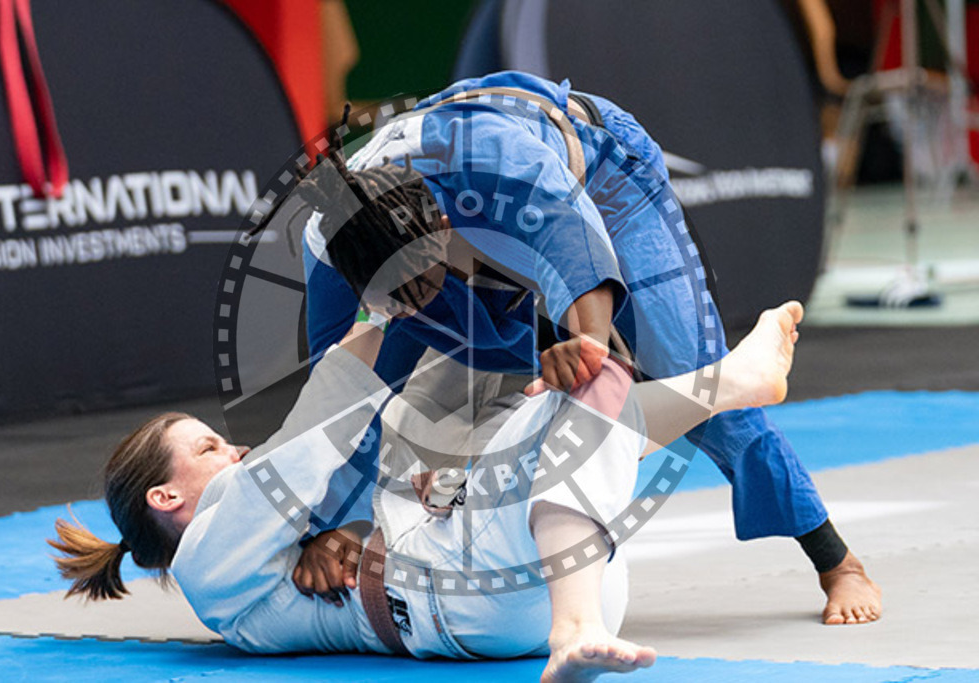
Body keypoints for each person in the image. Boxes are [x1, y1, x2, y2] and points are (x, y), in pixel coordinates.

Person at [296, 70, 880, 625]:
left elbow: (578, 250)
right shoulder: (330, 239)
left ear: (443, 223)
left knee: (691, 375)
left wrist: (585, 348)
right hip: (454, 237)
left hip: (604, 177)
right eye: (396, 298)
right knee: (364, 386)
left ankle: (836, 560)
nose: (416, 308)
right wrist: (335, 523)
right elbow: (336, 399)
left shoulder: (501, 162)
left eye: (418, 287)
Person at [50, 293, 805, 681]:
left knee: (582, 390)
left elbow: (331, 474)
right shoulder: (206, 564)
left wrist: (333, 533)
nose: (235, 447)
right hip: (464, 595)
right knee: (575, 396)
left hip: (528, 576)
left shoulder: (258, 549)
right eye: (209, 446)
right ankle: (574, 630)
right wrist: (385, 307)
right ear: (166, 497)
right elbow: (310, 441)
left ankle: (736, 381)